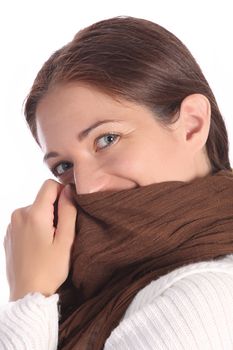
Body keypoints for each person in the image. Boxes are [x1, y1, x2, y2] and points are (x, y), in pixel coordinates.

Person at [1, 15, 233, 350]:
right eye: (64, 165)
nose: (88, 187)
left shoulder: (201, 298)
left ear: (192, 125)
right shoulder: (103, 290)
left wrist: (28, 298)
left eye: (107, 139)